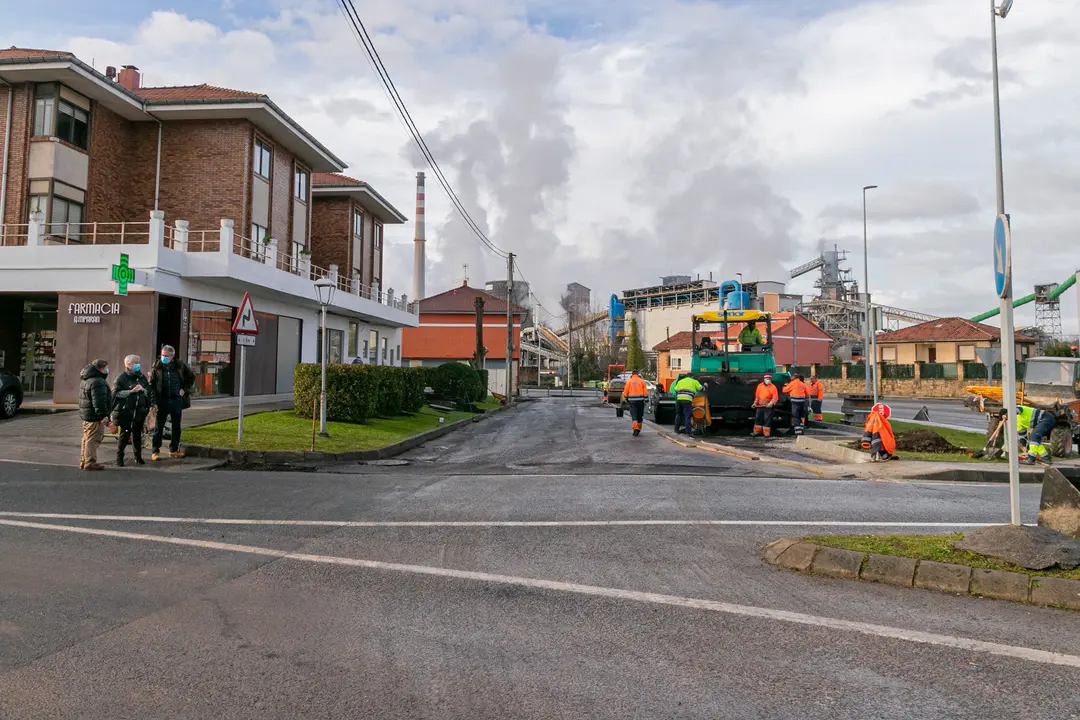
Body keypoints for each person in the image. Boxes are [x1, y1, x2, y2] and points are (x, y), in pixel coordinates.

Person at [149, 345, 195, 461]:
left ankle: (173, 449)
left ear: (172, 356)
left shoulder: (180, 366)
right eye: (162, 355)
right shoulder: (157, 367)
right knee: (158, 427)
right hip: (162, 400)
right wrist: (154, 401)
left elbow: (191, 377)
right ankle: (155, 451)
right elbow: (152, 385)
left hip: (176, 400)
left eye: (166, 356)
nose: (163, 357)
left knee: (176, 426)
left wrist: (184, 389)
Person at [111, 354, 154, 467]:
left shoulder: (141, 377)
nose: (138, 365)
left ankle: (138, 456)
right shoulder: (122, 378)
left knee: (137, 435)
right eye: (136, 363)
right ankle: (119, 457)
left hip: (139, 411)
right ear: (128, 364)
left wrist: (143, 390)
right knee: (124, 435)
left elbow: (148, 391)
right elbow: (116, 394)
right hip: (126, 412)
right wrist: (131, 391)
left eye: (139, 363)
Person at [78, 359, 111, 471]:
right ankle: (90, 462)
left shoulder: (86, 379)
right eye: (106, 368)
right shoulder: (98, 382)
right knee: (93, 439)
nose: (107, 370)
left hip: (87, 414)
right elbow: (99, 402)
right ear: (101, 369)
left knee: (86, 438)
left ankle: (84, 460)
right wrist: (103, 416)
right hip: (94, 416)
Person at [622, 369, 650, 437]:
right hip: (640, 401)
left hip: (632, 401)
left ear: (632, 374)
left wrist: (625, 398)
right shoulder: (642, 381)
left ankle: (635, 428)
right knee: (639, 415)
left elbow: (625, 392)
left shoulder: (629, 381)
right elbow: (645, 392)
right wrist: (646, 400)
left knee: (634, 415)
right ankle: (639, 428)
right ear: (637, 374)